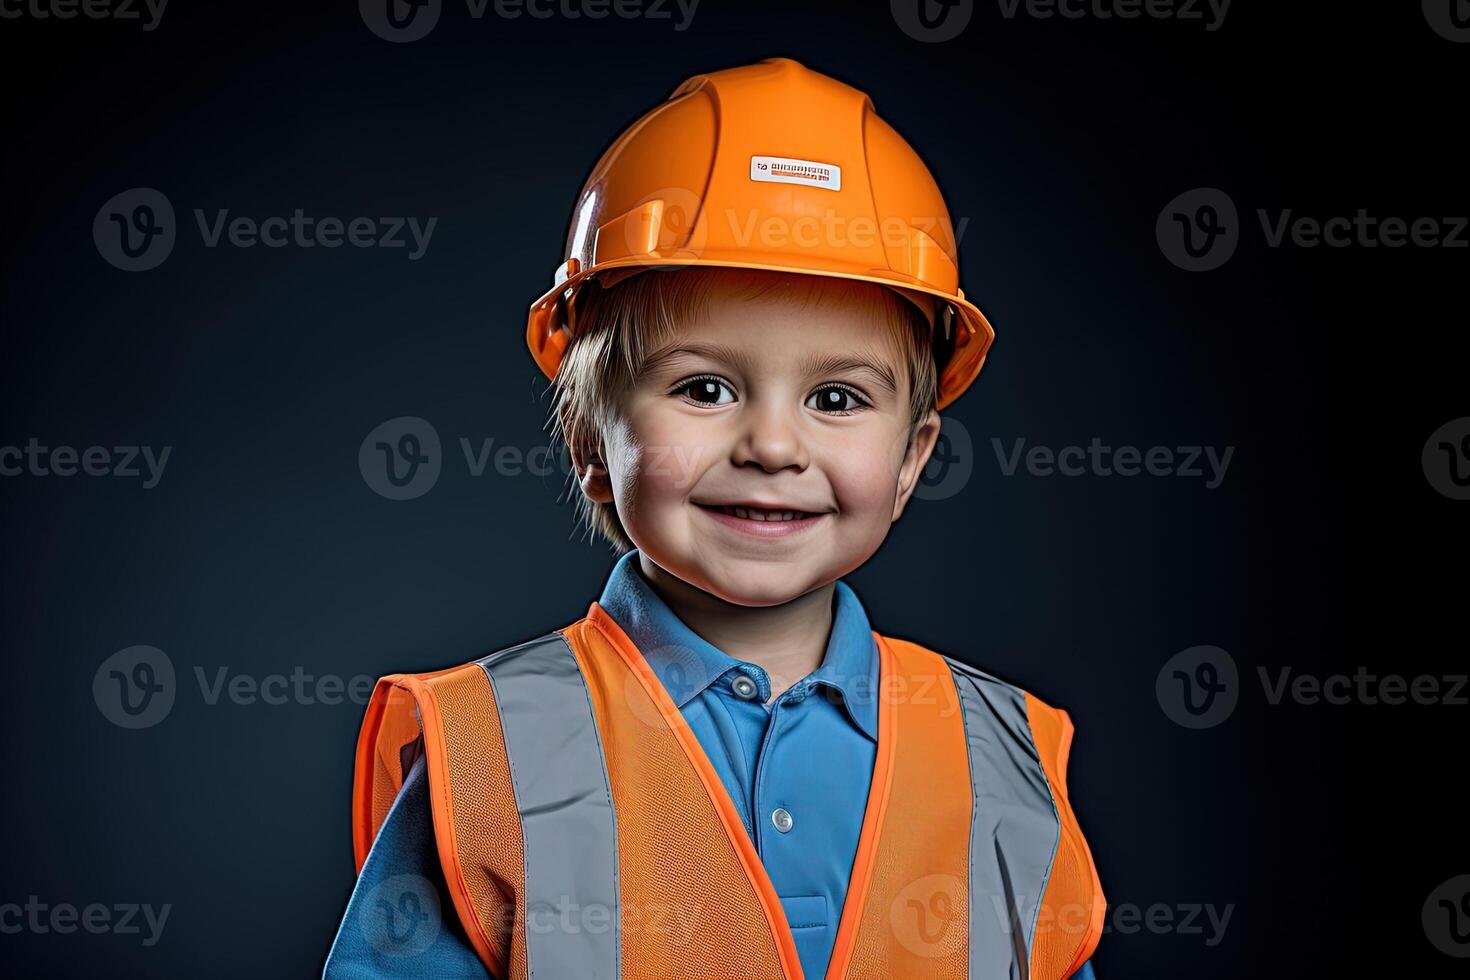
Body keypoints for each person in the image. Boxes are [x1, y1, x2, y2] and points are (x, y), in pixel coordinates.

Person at [325, 57, 1104, 980]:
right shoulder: (492, 746)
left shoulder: (1004, 756)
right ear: (588, 443)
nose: (773, 445)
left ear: (911, 461)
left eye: (838, 398)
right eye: (704, 388)